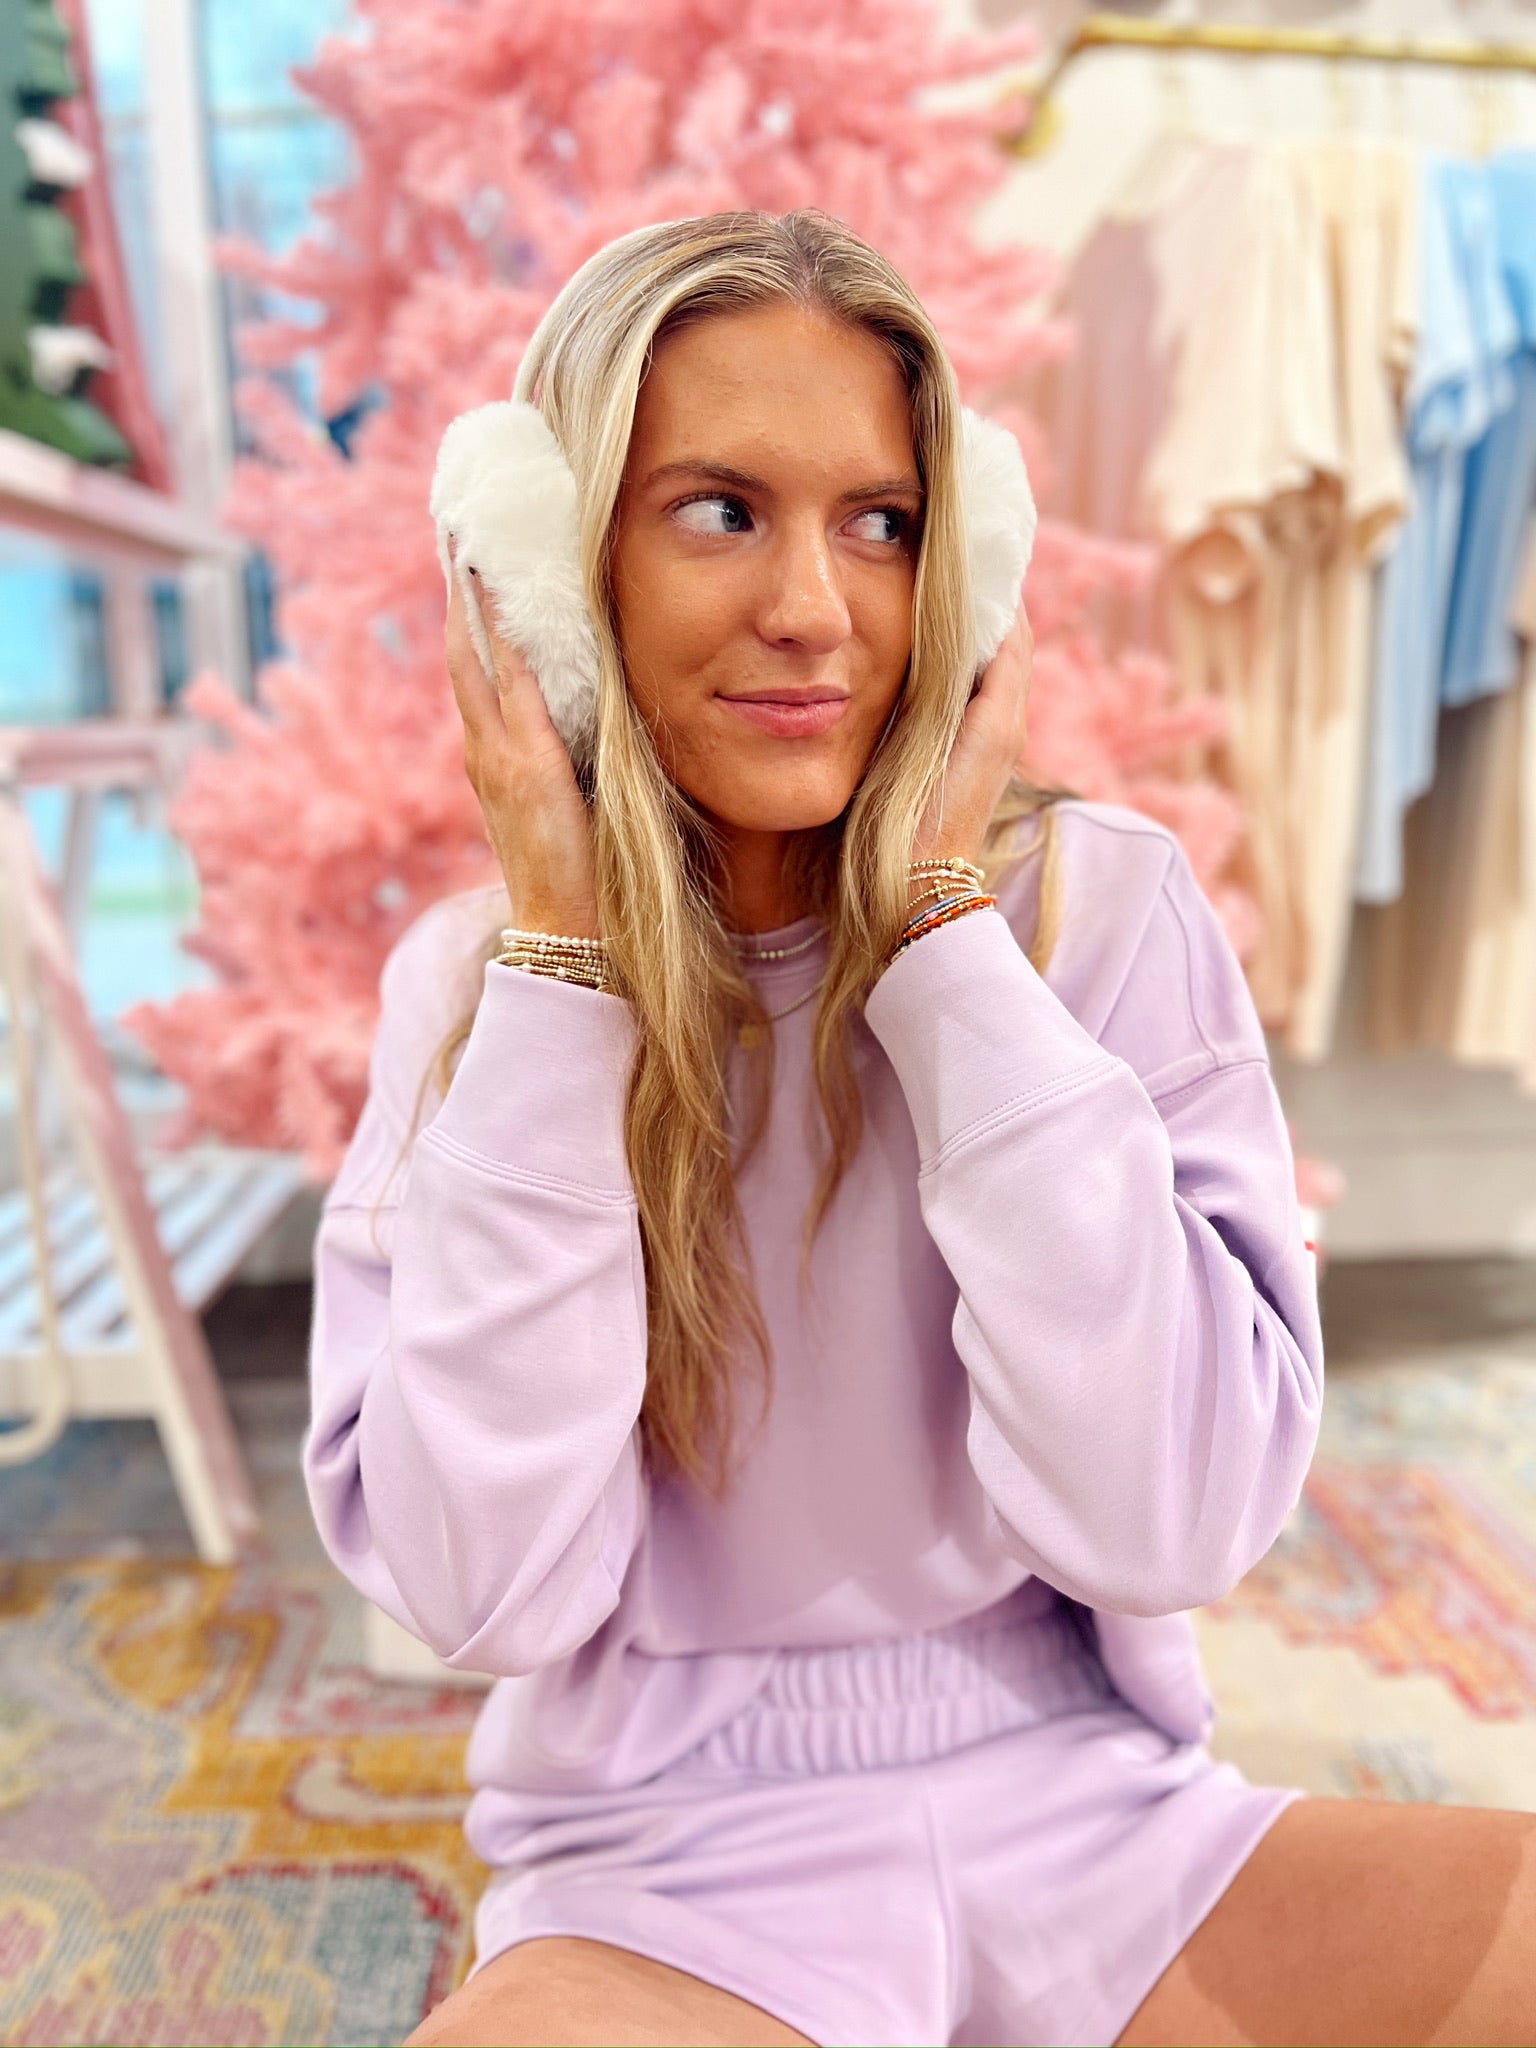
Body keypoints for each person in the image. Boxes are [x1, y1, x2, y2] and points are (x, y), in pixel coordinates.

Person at [305, 210, 1536, 2048]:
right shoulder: (479, 991)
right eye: (720, 510)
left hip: (1109, 1831)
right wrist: (565, 961)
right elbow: (480, 1594)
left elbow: (1177, 1521)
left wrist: (949, 948)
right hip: (666, 1873)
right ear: (560, 571)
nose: (817, 608)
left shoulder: (1096, 911)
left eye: (882, 523)